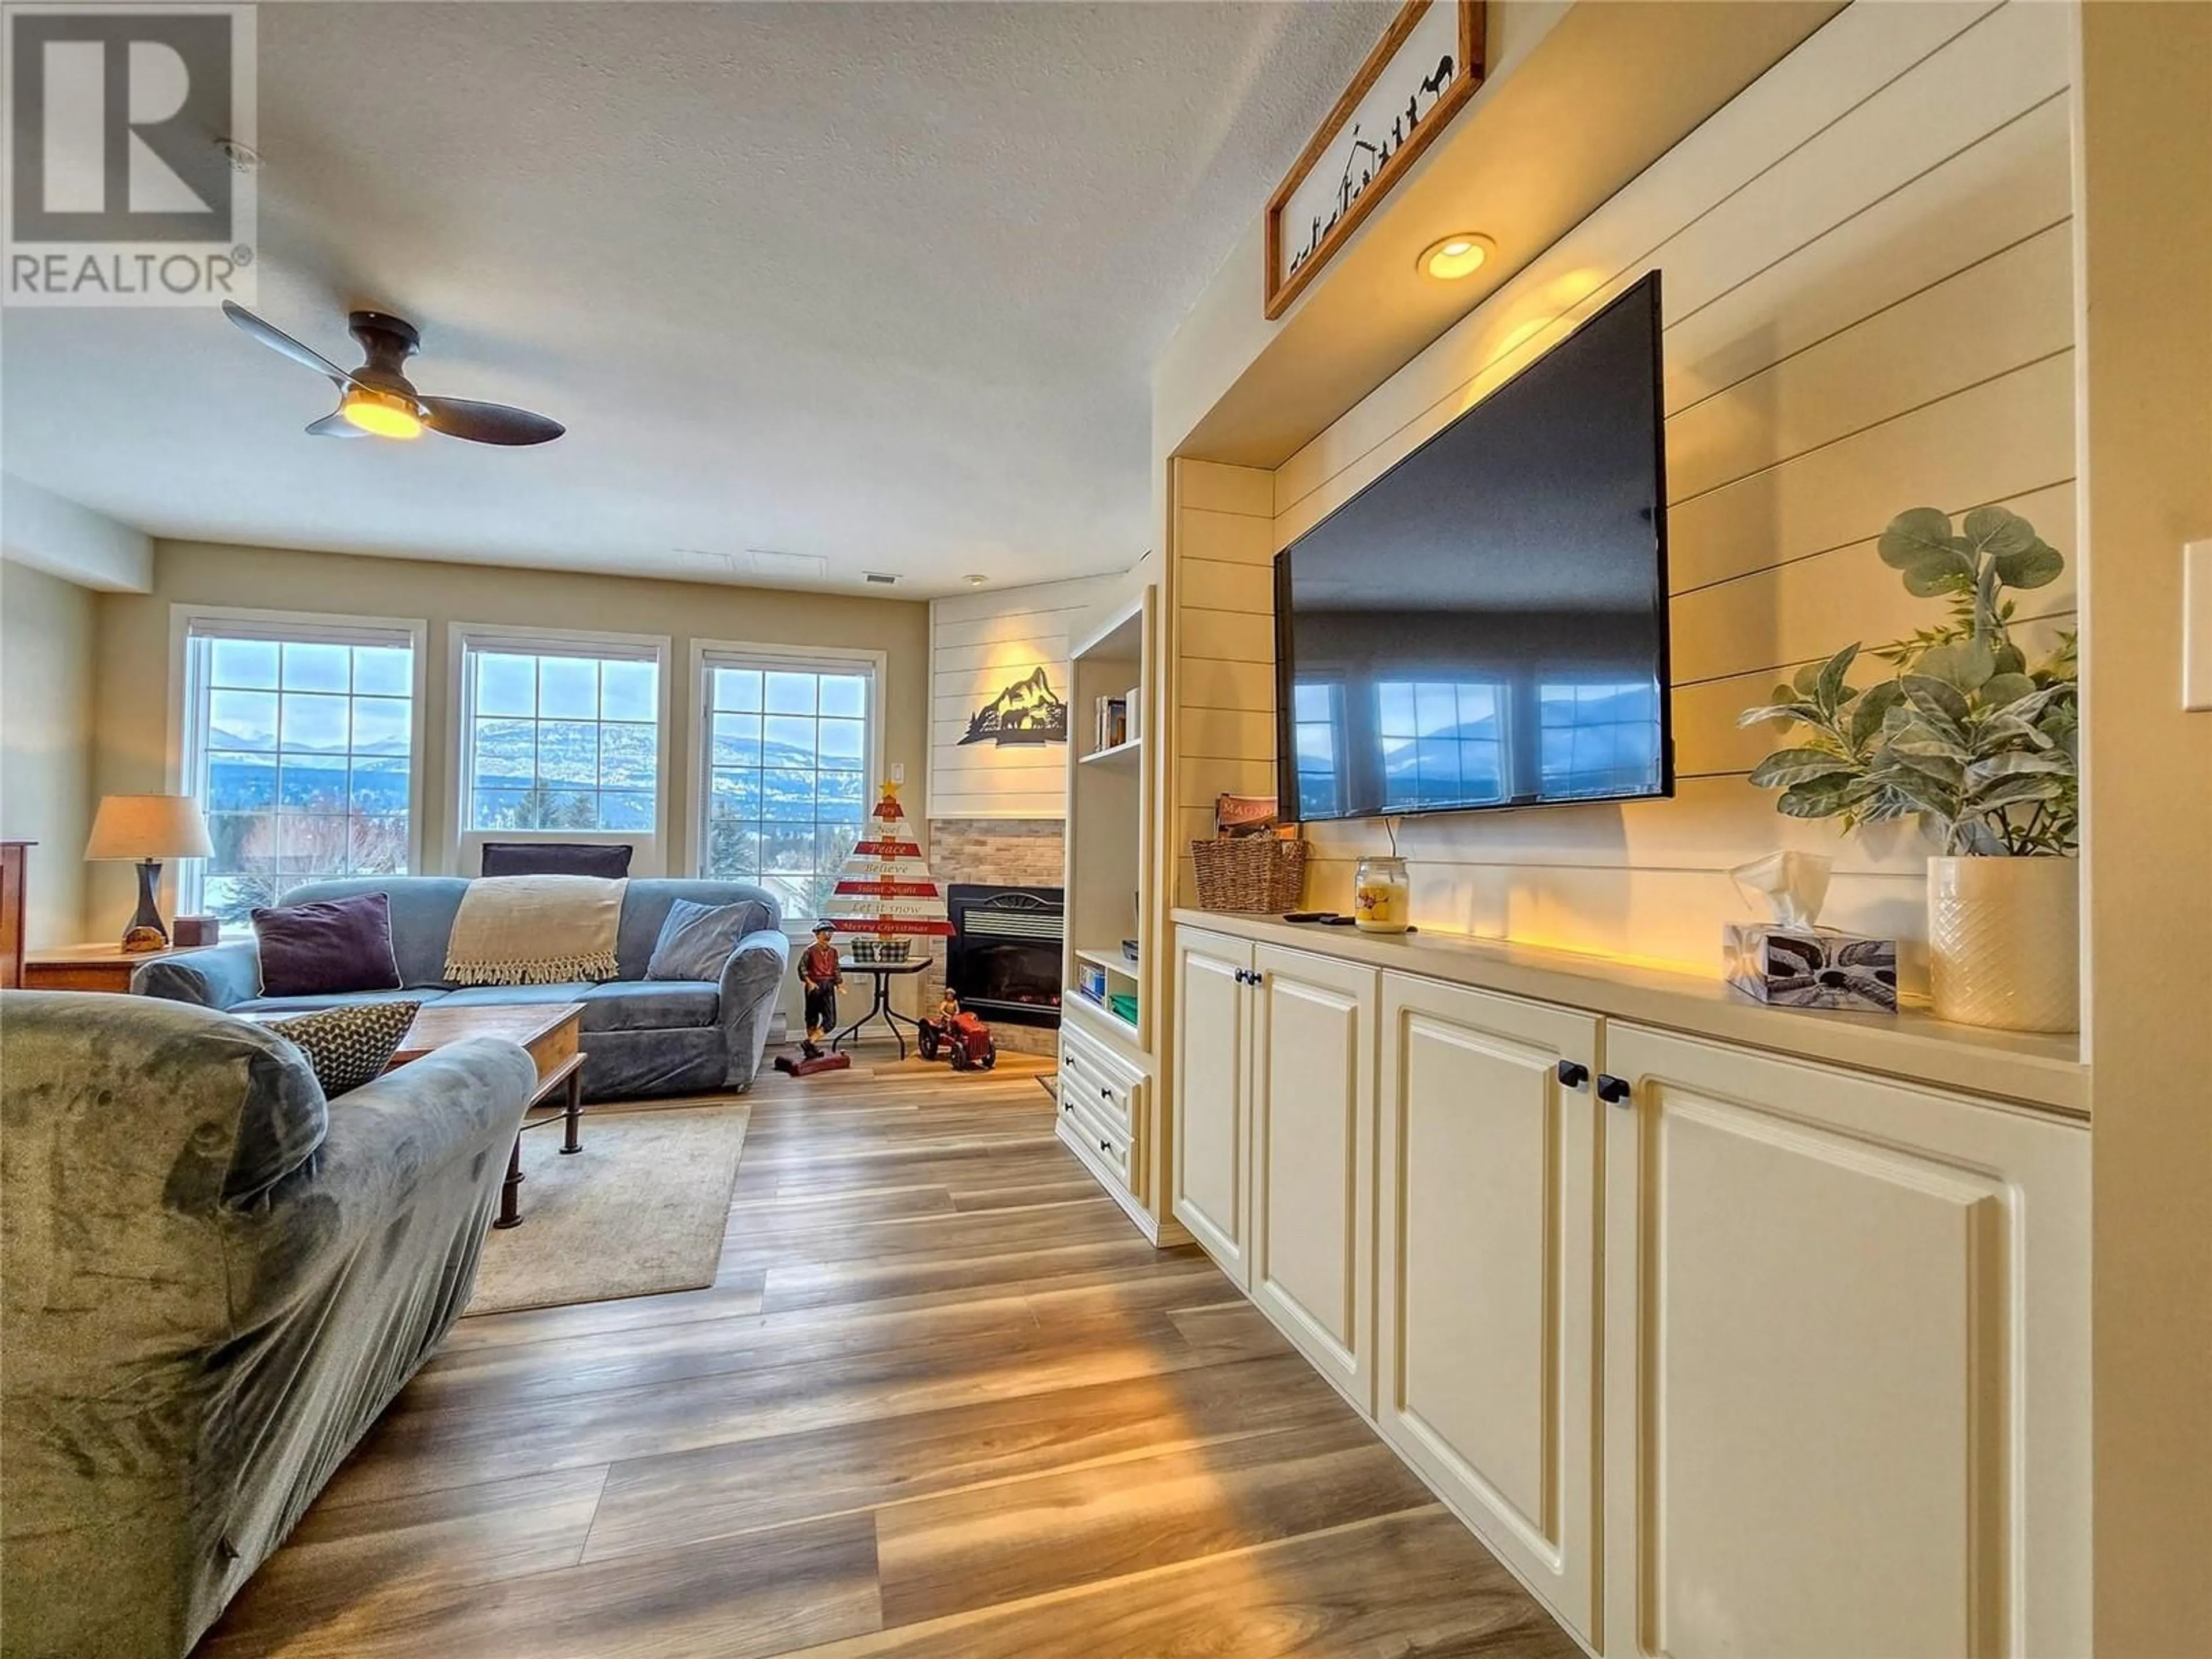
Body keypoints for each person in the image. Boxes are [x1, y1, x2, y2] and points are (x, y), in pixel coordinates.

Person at [797, 921, 843, 1058]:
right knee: (812, 1017)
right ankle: (811, 1049)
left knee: (830, 1021)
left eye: (830, 933)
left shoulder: (833, 952)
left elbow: (836, 969)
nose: (828, 935)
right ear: (817, 934)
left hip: (828, 986)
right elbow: (802, 968)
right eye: (825, 933)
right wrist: (809, 982)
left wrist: (839, 984)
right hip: (815, 986)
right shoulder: (810, 951)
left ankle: (809, 1042)